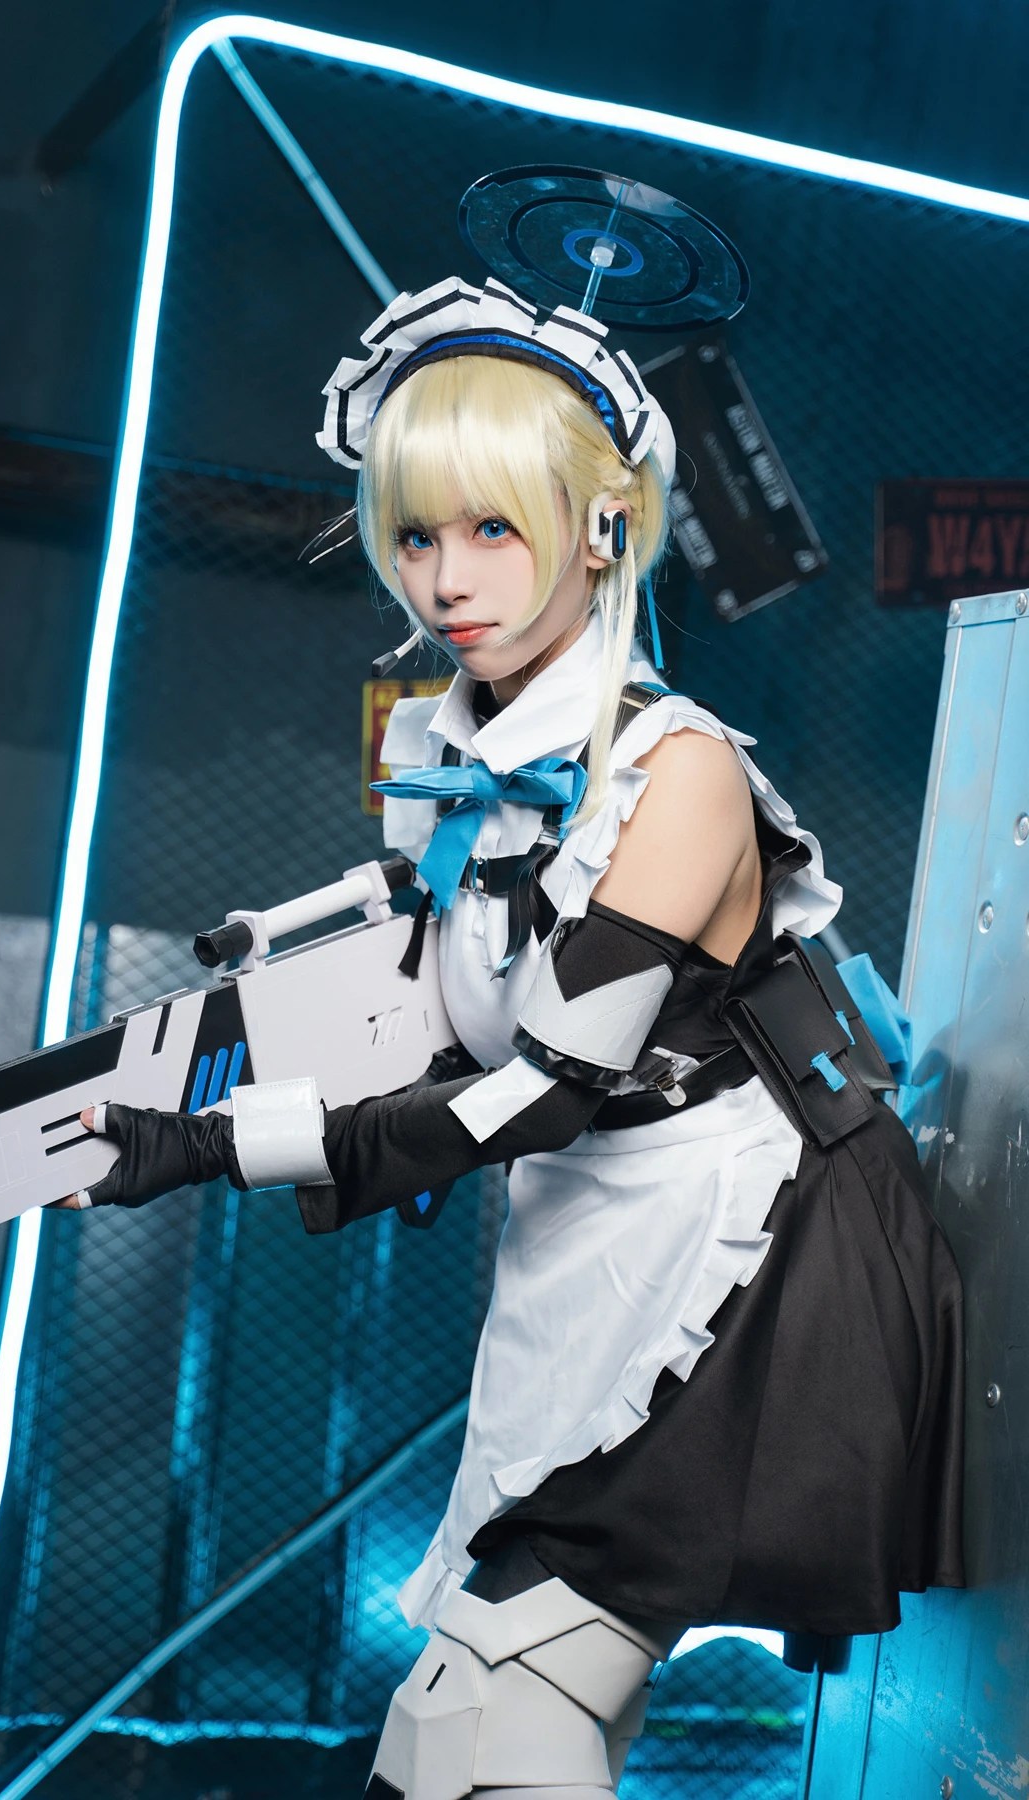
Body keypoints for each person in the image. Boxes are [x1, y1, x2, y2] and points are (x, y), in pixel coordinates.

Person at [58, 275, 965, 1800]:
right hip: (591, 1232)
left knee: (492, 1704)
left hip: (745, 1257)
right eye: (416, 534)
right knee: (480, 1713)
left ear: (601, 527)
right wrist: (195, 1052)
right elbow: (440, 991)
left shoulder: (679, 772)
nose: (445, 579)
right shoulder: (447, 746)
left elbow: (535, 1094)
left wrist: (205, 1145)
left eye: (493, 527)